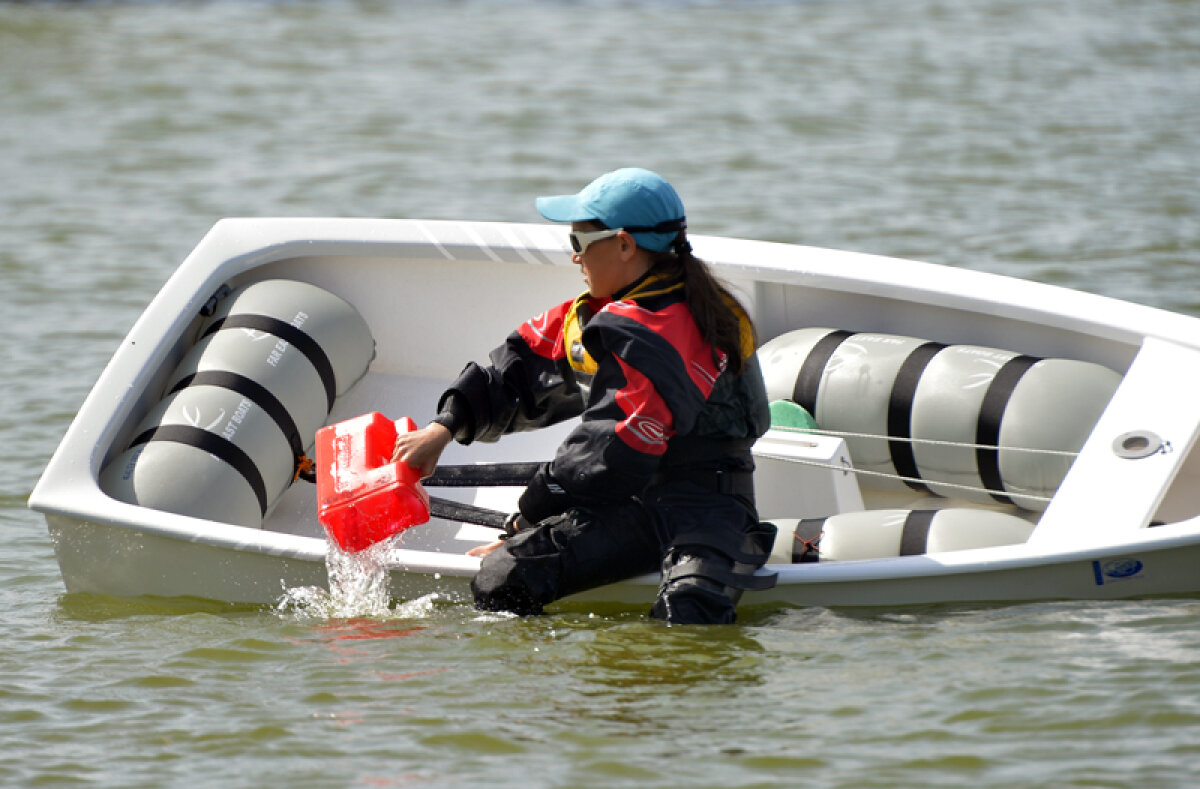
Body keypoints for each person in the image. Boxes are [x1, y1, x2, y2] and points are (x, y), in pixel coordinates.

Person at [393, 168, 775, 624]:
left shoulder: (666, 329)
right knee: (504, 577)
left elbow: (612, 452)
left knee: (688, 612)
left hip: (707, 509)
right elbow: (514, 377)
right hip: (632, 505)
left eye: (579, 243)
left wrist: (528, 518)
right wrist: (445, 427)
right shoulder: (599, 315)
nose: (574, 259)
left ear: (625, 245)